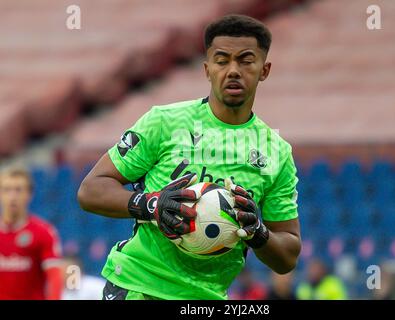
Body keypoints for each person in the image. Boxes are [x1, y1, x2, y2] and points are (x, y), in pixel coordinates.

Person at [78, 14, 301, 300]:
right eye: (222, 61)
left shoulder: (277, 153)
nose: (233, 70)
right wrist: (152, 205)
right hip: (137, 285)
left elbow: (288, 255)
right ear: (207, 69)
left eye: (246, 60)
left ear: (264, 70)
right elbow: (91, 190)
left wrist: (259, 233)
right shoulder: (164, 122)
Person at [0, 168, 63, 300]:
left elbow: (55, 277)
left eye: (18, 190)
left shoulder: (43, 232)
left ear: (29, 194)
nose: (12, 196)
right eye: (6, 190)